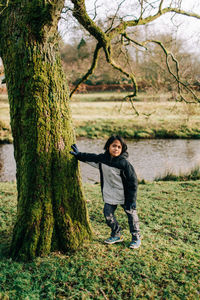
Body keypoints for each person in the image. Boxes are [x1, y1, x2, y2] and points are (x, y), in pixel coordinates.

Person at [70, 135, 141, 249]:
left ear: (122, 149)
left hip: (125, 196)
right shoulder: (103, 159)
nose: (116, 149)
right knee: (108, 214)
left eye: (119, 147)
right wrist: (79, 155)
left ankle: (136, 238)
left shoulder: (124, 164)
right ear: (108, 146)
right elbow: (91, 157)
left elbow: (133, 183)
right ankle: (116, 234)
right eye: (114, 146)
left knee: (131, 216)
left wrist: (132, 200)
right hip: (110, 194)